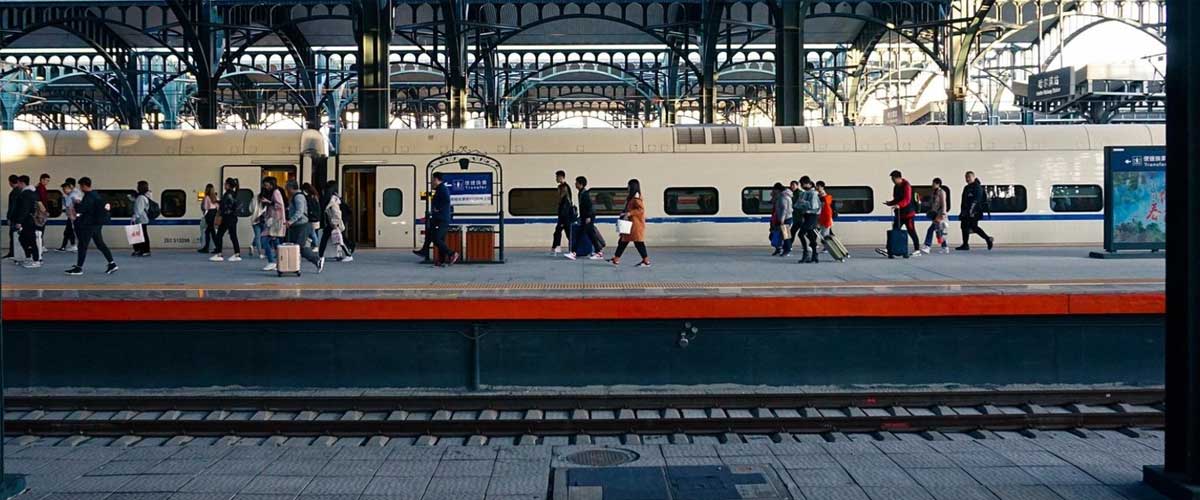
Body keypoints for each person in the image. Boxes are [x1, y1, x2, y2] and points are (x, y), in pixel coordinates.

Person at [64, 177, 117, 276]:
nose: (80, 188)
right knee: (100, 244)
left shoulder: (88, 196)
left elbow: (81, 209)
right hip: (97, 224)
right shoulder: (96, 194)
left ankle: (79, 268)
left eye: (80, 186)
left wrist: (76, 203)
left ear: (84, 185)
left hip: (88, 225)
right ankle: (112, 263)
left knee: (82, 245)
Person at [877, 170, 921, 257]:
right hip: (900, 214)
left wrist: (898, 205)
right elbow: (896, 199)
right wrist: (890, 203)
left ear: (898, 178)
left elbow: (907, 200)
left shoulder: (906, 185)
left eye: (893, 179)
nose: (892, 181)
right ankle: (888, 249)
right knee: (894, 230)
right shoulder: (896, 187)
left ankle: (917, 250)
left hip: (908, 214)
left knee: (911, 231)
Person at [285, 180, 324, 272]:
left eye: (287, 188)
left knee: (299, 247)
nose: (286, 190)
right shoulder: (296, 196)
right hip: (298, 225)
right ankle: (293, 266)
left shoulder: (298, 197)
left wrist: (290, 221)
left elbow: (300, 211)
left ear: (290, 188)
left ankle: (317, 260)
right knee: (295, 246)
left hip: (302, 225)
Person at [609, 178, 650, 267]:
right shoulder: (632, 197)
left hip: (635, 225)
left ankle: (646, 261)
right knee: (623, 241)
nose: (627, 187)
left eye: (628, 185)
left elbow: (641, 210)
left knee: (637, 242)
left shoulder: (636, 197)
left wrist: (629, 213)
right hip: (630, 224)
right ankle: (616, 258)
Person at [565, 176, 604, 260]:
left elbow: (589, 206)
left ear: (581, 184)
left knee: (581, 234)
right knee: (591, 234)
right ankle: (599, 252)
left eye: (576, 182)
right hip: (585, 217)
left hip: (588, 217)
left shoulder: (585, 194)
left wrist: (588, 217)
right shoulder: (581, 193)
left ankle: (574, 253)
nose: (575, 184)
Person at [957, 171, 995, 251]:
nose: (967, 179)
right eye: (966, 177)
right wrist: (962, 211)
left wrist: (971, 211)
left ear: (974, 177)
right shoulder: (966, 188)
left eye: (969, 177)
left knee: (973, 227)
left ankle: (988, 239)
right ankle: (965, 244)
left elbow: (976, 200)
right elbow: (963, 201)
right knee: (964, 226)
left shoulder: (977, 187)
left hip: (975, 211)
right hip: (966, 211)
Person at [428, 172, 458, 266]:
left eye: (433, 179)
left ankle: (452, 253)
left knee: (437, 239)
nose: (432, 181)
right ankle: (441, 260)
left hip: (442, 218)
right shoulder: (439, 189)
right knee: (440, 238)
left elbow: (446, 200)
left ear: (436, 179)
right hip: (440, 218)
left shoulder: (442, 189)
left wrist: (438, 209)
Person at [318, 181, 352, 262]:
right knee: (339, 238)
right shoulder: (335, 198)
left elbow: (337, 213)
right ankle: (321, 255)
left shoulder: (332, 199)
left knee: (334, 239)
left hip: (333, 223)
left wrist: (335, 223)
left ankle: (320, 255)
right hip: (333, 222)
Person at [210, 178, 242, 262]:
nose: (224, 185)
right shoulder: (234, 193)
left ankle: (219, 254)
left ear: (228, 185)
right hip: (233, 217)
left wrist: (219, 212)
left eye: (225, 184)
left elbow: (224, 206)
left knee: (219, 235)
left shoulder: (228, 194)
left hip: (227, 217)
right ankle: (237, 254)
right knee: (233, 235)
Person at [259, 177, 287, 271]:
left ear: (271, 184)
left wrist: (268, 202)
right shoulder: (274, 192)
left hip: (275, 221)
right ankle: (280, 262)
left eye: (266, 185)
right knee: (275, 242)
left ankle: (271, 261)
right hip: (274, 220)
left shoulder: (276, 192)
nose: (265, 187)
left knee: (264, 239)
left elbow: (279, 205)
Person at [13, 175, 41, 268]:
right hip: (31, 219)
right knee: (24, 239)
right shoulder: (33, 192)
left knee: (31, 240)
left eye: (18, 183)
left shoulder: (25, 194)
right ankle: (30, 257)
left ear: (22, 183)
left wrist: (19, 221)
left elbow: (24, 209)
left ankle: (36, 260)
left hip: (27, 220)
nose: (18, 185)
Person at [795, 176, 821, 263]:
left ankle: (806, 253)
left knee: (801, 234)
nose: (802, 186)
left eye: (803, 184)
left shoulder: (813, 193)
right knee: (810, 235)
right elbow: (796, 205)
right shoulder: (804, 193)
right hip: (806, 216)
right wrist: (801, 203)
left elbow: (813, 206)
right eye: (801, 185)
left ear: (809, 183)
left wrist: (803, 202)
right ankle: (814, 255)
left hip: (812, 216)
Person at [922, 178, 950, 255]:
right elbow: (933, 203)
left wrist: (943, 214)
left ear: (938, 184)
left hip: (940, 215)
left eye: (933, 183)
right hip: (935, 215)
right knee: (939, 231)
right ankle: (945, 247)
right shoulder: (934, 193)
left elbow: (944, 204)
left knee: (931, 230)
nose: (932, 185)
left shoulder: (942, 192)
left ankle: (927, 246)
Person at [57, 178, 81, 252]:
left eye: (66, 187)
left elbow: (76, 203)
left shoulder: (74, 194)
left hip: (74, 216)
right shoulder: (69, 195)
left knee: (73, 231)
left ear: (70, 186)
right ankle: (67, 246)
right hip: (71, 216)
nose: (64, 190)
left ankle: (75, 246)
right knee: (68, 231)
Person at [551, 170, 571, 255]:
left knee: (558, 231)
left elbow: (564, 202)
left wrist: (562, 216)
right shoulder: (561, 187)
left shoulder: (564, 187)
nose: (556, 178)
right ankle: (557, 247)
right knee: (567, 232)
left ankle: (557, 247)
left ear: (561, 177)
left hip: (564, 214)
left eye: (557, 177)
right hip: (564, 214)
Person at [132, 180, 153, 257]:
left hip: (140, 219)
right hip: (143, 219)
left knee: (142, 235)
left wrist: (134, 217)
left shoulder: (141, 197)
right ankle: (141, 250)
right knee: (142, 235)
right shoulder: (144, 196)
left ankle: (145, 250)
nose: (137, 187)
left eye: (138, 186)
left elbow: (139, 209)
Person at [552, 182, 574, 256]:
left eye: (559, 190)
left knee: (560, 232)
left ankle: (558, 247)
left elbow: (564, 211)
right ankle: (557, 247)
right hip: (565, 218)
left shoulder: (565, 201)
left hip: (564, 219)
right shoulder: (564, 200)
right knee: (565, 234)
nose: (558, 192)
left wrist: (562, 221)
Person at [768, 183, 788, 256]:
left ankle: (786, 249)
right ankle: (779, 248)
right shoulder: (777, 196)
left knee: (785, 236)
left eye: (774, 190)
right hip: (776, 218)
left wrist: (782, 218)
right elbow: (771, 202)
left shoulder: (783, 197)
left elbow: (785, 209)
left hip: (784, 219)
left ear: (778, 190)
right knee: (773, 235)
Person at [199, 183, 219, 253]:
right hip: (214, 213)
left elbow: (205, 207)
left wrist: (204, 213)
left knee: (211, 232)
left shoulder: (207, 197)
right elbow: (218, 206)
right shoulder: (215, 197)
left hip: (209, 214)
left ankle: (216, 248)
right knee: (208, 231)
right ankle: (207, 247)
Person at [302, 182, 322, 249]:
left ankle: (316, 245)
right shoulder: (315, 196)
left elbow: (310, 207)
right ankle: (314, 244)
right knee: (314, 232)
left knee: (312, 232)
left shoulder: (310, 197)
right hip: (316, 217)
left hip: (312, 217)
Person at [5, 174, 20, 259]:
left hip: (14, 218)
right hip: (19, 218)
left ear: (10, 182)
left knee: (13, 235)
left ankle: (12, 253)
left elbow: (12, 206)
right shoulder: (21, 191)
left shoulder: (14, 192)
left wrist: (9, 217)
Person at [36, 173, 49, 253]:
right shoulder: (40, 188)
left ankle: (41, 244)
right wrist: (45, 211)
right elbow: (40, 201)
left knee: (41, 229)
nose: (47, 182)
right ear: (42, 179)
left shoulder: (41, 188)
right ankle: (40, 245)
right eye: (47, 180)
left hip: (41, 211)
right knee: (40, 229)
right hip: (41, 212)